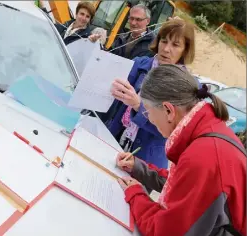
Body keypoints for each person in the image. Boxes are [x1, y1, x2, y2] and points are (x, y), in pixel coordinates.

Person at [116, 64, 246, 236]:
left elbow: (165, 231)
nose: (150, 119)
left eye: (148, 113)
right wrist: (138, 167)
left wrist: (136, 195)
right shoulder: (208, 129)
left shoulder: (203, 157)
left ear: (169, 110)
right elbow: (181, 185)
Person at [104, 19, 196, 169]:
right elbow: (110, 93)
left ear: (185, 50)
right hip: (114, 139)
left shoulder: (187, 86)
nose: (166, 49)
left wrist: (138, 105)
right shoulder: (139, 64)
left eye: (175, 45)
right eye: (164, 41)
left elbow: (172, 130)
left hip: (146, 163)